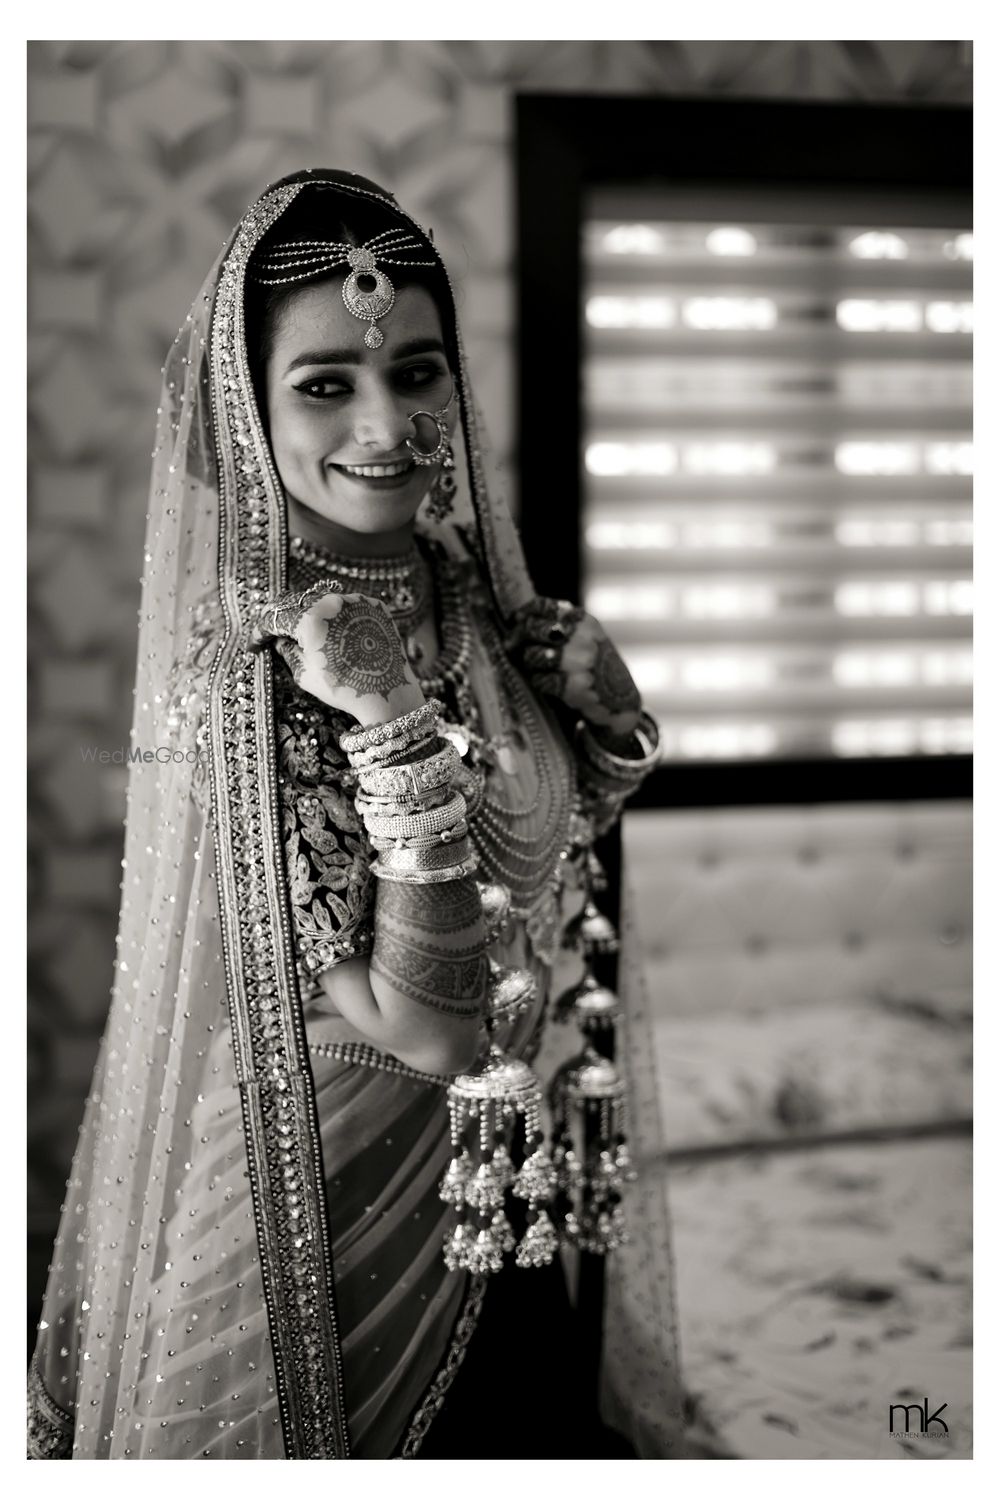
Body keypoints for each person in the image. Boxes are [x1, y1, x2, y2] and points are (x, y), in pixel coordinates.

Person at [28, 169, 684, 1459]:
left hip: (503, 1173)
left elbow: (531, 860)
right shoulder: (258, 674)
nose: (388, 422)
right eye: (325, 384)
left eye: (419, 372)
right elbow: (423, 1027)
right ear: (248, 410)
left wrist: (607, 725)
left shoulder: (467, 596)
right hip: (332, 1212)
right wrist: (383, 720)